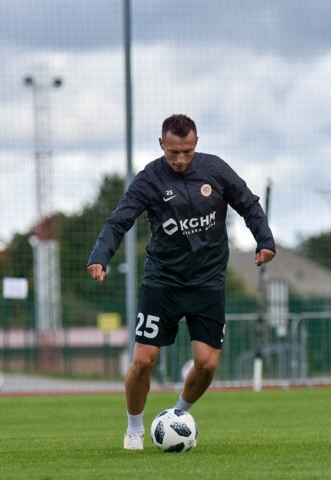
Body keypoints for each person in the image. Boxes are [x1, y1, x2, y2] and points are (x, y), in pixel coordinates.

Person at [86, 114, 275, 450]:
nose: (180, 159)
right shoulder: (149, 179)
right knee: (143, 360)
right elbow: (119, 222)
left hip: (208, 283)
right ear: (162, 145)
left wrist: (264, 240)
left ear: (196, 143)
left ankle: (177, 416)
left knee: (207, 364)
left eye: (187, 151)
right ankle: (133, 429)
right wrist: (100, 256)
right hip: (163, 282)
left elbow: (248, 203)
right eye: (173, 152)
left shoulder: (215, 170)